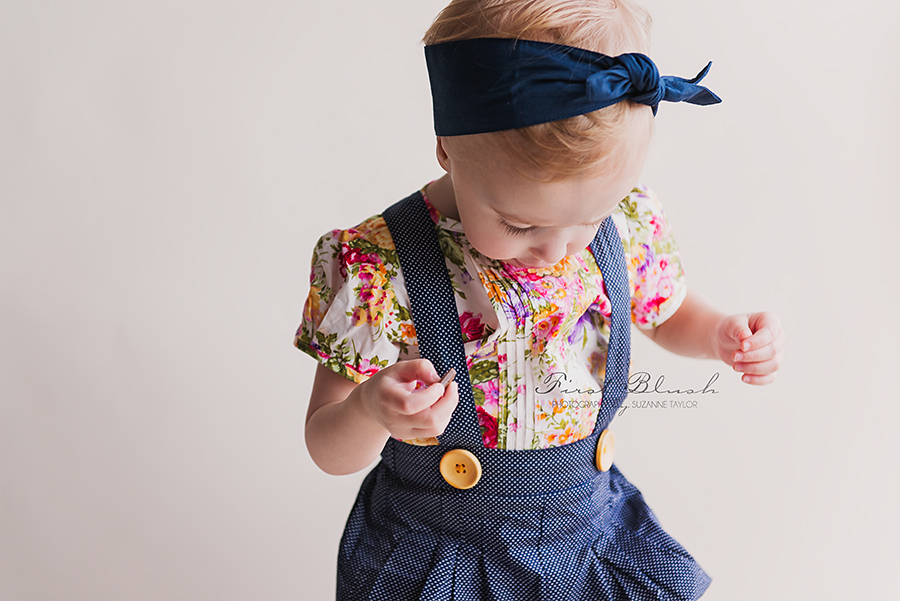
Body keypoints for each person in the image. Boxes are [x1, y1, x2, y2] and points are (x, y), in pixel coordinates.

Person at [294, 1, 785, 599]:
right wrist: (370, 410)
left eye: (591, 218)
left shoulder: (623, 223)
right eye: (520, 225)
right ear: (448, 146)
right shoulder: (380, 266)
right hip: (443, 563)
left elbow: (667, 312)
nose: (556, 249)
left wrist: (717, 334)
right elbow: (326, 447)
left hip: (589, 545)